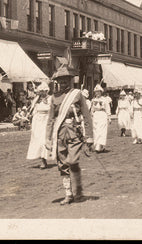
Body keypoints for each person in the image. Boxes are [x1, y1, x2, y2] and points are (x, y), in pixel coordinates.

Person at [45, 66, 93, 205]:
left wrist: (89, 136)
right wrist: (47, 138)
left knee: (72, 161)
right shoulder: (54, 97)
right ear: (57, 82)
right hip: (59, 134)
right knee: (62, 164)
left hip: (74, 133)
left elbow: (86, 115)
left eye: (66, 81)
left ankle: (78, 189)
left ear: (70, 81)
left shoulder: (77, 94)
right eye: (61, 81)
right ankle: (69, 194)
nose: (63, 83)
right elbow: (50, 119)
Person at [26, 82, 52, 169]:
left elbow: (51, 110)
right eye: (40, 91)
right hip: (37, 121)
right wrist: (29, 116)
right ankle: (41, 159)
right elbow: (33, 109)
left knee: (43, 141)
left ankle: (44, 160)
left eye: (43, 91)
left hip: (46, 120)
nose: (41, 93)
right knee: (37, 140)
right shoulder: (37, 99)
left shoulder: (50, 99)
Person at [90, 84, 111, 152]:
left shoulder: (104, 100)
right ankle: (97, 145)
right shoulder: (93, 100)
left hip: (102, 115)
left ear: (101, 92)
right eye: (96, 92)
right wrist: (91, 115)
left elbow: (108, 108)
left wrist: (109, 117)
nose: (97, 93)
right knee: (96, 130)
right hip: (96, 116)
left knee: (102, 130)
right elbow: (92, 109)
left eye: (99, 92)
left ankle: (100, 145)